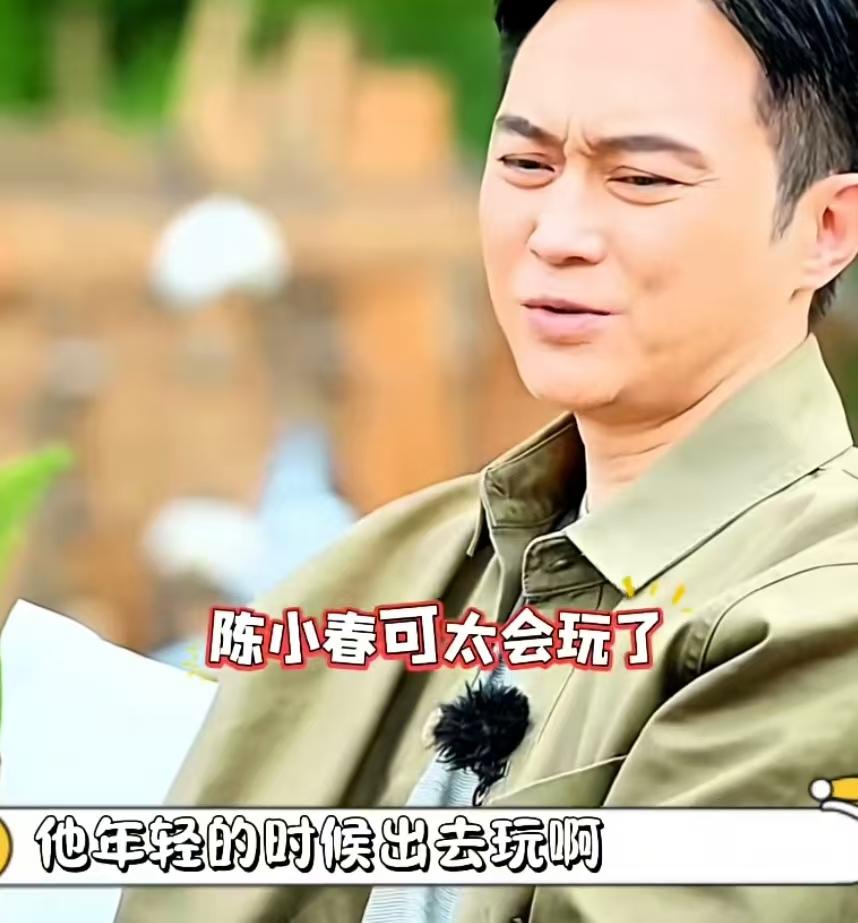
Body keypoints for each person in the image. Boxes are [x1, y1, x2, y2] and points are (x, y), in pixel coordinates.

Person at [117, 0, 858, 920]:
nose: (555, 234)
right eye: (525, 165)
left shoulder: (823, 615)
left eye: (640, 178)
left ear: (827, 227)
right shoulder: (372, 574)